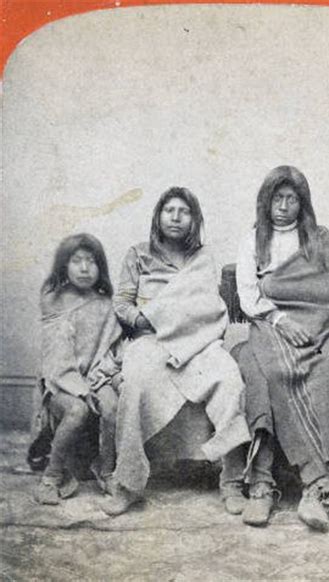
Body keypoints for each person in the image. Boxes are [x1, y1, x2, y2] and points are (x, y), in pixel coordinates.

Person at [101, 187, 250, 516]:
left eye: (184, 212)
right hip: (151, 340)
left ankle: (232, 482)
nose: (176, 217)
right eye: (170, 210)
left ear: (194, 220)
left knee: (229, 380)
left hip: (198, 341)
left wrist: (170, 316)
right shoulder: (138, 254)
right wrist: (142, 317)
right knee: (134, 383)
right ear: (158, 216)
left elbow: (208, 307)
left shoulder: (203, 258)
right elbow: (122, 303)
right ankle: (127, 484)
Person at [234, 165, 329, 530]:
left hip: (320, 325)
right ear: (266, 203)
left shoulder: (319, 239)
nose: (284, 206)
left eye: (292, 199)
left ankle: (315, 493)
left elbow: (325, 292)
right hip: (271, 322)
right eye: (277, 199)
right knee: (275, 371)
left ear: (303, 204)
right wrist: (283, 322)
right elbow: (248, 296)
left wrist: (311, 326)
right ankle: (275, 484)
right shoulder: (253, 240)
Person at [32, 233, 123, 505]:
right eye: (77, 261)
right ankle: (51, 476)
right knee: (77, 410)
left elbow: (112, 351)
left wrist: (99, 378)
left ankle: (106, 470)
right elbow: (57, 359)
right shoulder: (54, 300)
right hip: (62, 383)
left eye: (92, 262)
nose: (85, 269)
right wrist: (81, 391)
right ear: (64, 265)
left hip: (95, 378)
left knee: (112, 407)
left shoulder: (106, 304)